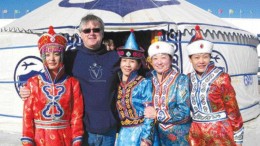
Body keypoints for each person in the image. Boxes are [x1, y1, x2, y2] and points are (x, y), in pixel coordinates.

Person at [20, 14, 121, 146]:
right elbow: (51, 69)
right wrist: (26, 85)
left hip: (108, 128)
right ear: (80, 34)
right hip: (83, 129)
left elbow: (136, 74)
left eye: (96, 30)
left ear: (102, 33)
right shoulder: (71, 56)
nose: (91, 33)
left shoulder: (115, 57)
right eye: (87, 30)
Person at [20, 26, 84, 146]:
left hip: (64, 138)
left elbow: (77, 115)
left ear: (62, 56)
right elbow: (27, 116)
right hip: (40, 139)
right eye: (48, 55)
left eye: (56, 54)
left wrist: (77, 139)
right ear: (43, 57)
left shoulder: (72, 83)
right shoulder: (33, 83)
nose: (52, 59)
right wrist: (27, 140)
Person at [186, 25, 244, 146]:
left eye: (205, 57)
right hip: (196, 133)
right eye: (196, 57)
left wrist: (237, 133)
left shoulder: (221, 78)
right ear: (190, 59)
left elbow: (232, 108)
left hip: (220, 133)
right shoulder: (188, 78)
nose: (201, 61)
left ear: (210, 57)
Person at [144, 41, 191, 146]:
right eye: (155, 58)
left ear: (171, 59)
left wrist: (157, 114)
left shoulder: (181, 79)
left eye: (163, 58)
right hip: (155, 135)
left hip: (178, 136)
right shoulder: (148, 79)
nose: (159, 62)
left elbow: (184, 112)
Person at [115, 29, 156, 146]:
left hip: (140, 134)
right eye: (124, 60)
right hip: (123, 135)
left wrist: (146, 139)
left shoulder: (144, 83)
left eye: (132, 61)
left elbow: (150, 114)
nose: (127, 65)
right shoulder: (117, 84)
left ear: (138, 65)